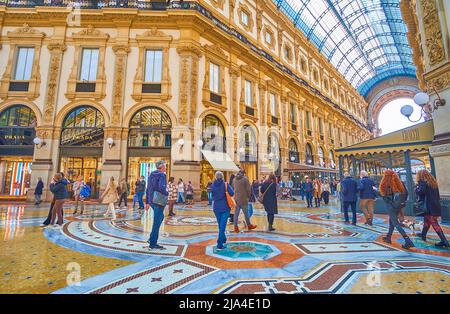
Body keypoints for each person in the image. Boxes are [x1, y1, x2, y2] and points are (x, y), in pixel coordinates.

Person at [380, 169, 414, 249]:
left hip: (391, 207)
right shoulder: (400, 183)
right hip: (398, 206)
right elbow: (406, 193)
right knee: (391, 221)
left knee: (396, 223)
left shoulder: (385, 185)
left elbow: (384, 197)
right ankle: (388, 237)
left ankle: (408, 241)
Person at [415, 170, 449, 248]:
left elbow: (421, 192)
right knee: (427, 221)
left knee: (434, 223)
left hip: (428, 206)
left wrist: (416, 189)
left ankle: (444, 241)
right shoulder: (433, 183)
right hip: (435, 205)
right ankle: (423, 235)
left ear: (420, 176)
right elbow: (437, 195)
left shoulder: (422, 182)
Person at [146, 160, 169, 250]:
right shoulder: (162, 175)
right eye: (165, 166)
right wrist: (167, 193)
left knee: (160, 217)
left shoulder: (151, 174)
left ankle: (152, 237)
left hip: (152, 200)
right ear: (162, 167)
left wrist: (147, 202)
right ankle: (153, 243)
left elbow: (148, 188)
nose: (165, 167)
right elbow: (161, 187)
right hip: (159, 201)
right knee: (156, 221)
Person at [211, 171, 234, 250]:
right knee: (222, 226)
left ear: (215, 177)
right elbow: (232, 193)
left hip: (216, 208)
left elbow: (212, 196)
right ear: (222, 177)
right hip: (225, 208)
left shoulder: (213, 184)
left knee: (220, 225)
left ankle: (223, 238)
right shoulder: (225, 184)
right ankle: (219, 244)